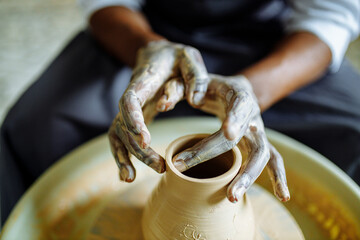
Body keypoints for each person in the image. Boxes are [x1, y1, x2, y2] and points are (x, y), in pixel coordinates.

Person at [1, 0, 359, 225]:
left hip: (274, 40)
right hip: (146, 33)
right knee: (32, 130)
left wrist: (254, 90)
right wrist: (148, 47)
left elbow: (332, 13)